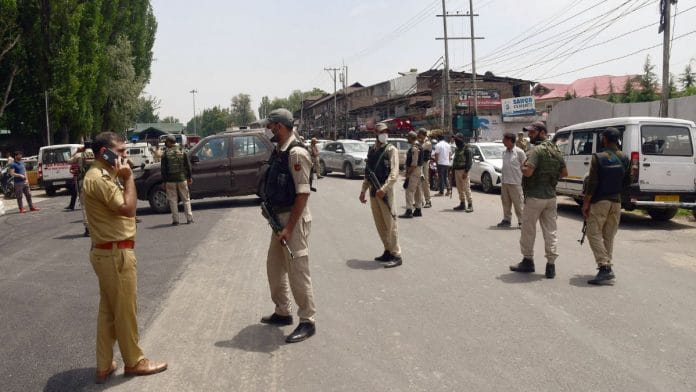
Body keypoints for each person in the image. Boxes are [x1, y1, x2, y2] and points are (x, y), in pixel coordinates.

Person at [82, 132, 166, 384]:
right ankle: (134, 362)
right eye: (120, 151)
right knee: (125, 311)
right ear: (103, 153)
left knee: (109, 312)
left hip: (107, 252)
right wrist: (128, 178)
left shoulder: (102, 175)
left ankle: (104, 365)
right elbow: (128, 208)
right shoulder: (100, 178)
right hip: (115, 254)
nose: (125, 155)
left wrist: (120, 174)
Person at [259, 108, 317, 343]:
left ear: (280, 127)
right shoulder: (279, 151)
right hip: (279, 221)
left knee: (297, 271)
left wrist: (289, 228)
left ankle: (307, 320)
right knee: (274, 267)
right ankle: (283, 311)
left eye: (271, 126)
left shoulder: (296, 153)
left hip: (293, 220)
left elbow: (303, 195)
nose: (269, 130)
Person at [510, 121, 567, 279]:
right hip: (550, 197)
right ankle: (551, 266)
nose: (529, 135)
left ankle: (528, 261)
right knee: (551, 232)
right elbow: (564, 173)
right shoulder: (556, 150)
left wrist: (522, 167)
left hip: (535, 196)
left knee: (528, 230)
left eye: (533, 133)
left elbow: (528, 172)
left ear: (542, 133)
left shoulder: (536, 151)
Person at [582, 127, 630, 285]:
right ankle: (606, 266)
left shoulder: (598, 157)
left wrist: (586, 202)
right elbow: (627, 181)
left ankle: (604, 267)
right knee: (608, 236)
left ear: (604, 139)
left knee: (592, 233)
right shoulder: (624, 157)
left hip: (600, 201)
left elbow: (592, 182)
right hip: (616, 202)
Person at [359, 122, 402, 268]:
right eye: (382, 132)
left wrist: (383, 189)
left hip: (385, 192)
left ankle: (396, 254)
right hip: (373, 191)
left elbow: (394, 173)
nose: (385, 134)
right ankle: (387, 250)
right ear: (376, 134)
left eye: (386, 131)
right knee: (380, 224)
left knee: (390, 223)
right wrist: (363, 190)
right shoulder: (372, 150)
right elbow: (368, 172)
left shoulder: (391, 150)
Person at [161, 135, 194, 225]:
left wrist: (164, 181)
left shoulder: (165, 154)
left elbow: (163, 170)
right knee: (186, 199)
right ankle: (189, 219)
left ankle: (176, 220)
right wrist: (189, 177)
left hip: (170, 181)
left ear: (168, 142)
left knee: (173, 200)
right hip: (182, 179)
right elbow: (188, 166)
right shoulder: (182, 151)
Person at [498, 132, 526, 227]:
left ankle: (522, 221)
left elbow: (525, 167)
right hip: (505, 182)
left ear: (510, 140)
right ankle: (506, 220)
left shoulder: (519, 152)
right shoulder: (504, 152)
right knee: (506, 203)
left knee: (518, 204)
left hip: (515, 183)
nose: (503, 141)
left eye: (505, 140)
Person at [68, 145, 96, 236]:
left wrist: (76, 151)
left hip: (83, 182)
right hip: (96, 181)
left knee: (84, 206)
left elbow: (69, 161)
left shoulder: (79, 155)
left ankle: (88, 229)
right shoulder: (97, 154)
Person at [399, 131, 424, 219]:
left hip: (414, 170)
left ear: (411, 138)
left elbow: (414, 163)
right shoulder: (419, 146)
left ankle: (409, 210)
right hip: (419, 170)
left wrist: (408, 174)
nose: (407, 139)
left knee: (409, 191)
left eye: (408, 137)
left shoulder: (414, 148)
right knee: (417, 191)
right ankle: (418, 209)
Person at [451, 136, 474, 212]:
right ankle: (462, 204)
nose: (456, 142)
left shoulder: (467, 149)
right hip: (457, 170)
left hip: (464, 171)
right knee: (459, 188)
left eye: (457, 140)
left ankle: (470, 205)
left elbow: (469, 162)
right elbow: (455, 160)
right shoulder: (457, 149)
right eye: (455, 140)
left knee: (466, 188)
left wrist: (466, 171)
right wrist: (452, 170)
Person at [416, 128, 432, 208]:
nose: (418, 135)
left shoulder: (427, 142)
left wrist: (417, 142)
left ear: (422, 134)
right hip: (419, 164)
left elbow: (420, 148)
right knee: (418, 183)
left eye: (419, 134)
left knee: (425, 182)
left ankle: (428, 201)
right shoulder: (420, 141)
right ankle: (420, 201)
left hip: (425, 164)